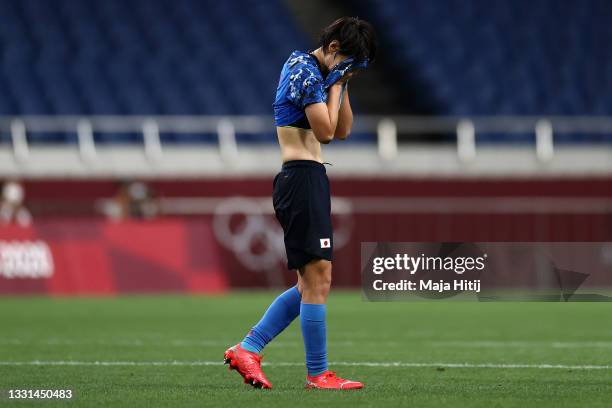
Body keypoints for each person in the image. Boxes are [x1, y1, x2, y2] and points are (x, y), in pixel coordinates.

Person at [224, 17, 377, 390]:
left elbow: (342, 130)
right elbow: (324, 132)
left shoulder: (318, 73)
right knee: (318, 279)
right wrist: (336, 81)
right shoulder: (304, 70)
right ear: (336, 49)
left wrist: (342, 84)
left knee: (310, 283)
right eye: (348, 61)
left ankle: (249, 348)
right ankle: (317, 373)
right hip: (300, 179)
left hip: (310, 178)